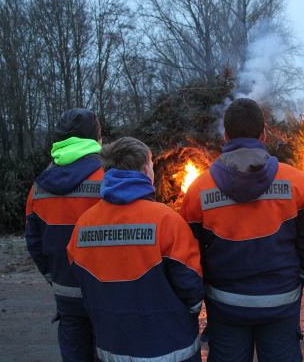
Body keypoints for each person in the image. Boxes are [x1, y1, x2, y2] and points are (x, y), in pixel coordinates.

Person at [179, 98, 304, 362]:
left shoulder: (198, 190)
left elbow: (186, 252)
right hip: (281, 300)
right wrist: (300, 276)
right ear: (263, 134)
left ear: (225, 135)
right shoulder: (295, 182)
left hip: (225, 305)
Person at [67, 137, 204, 362]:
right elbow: (191, 285)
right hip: (170, 348)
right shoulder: (166, 220)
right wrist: (182, 318)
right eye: (151, 165)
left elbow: (81, 278)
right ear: (144, 169)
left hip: (112, 348)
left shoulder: (84, 224)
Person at [25, 108, 104, 362]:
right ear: (96, 139)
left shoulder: (38, 187)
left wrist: (55, 278)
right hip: (108, 296)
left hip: (67, 298)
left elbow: (34, 242)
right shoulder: (110, 178)